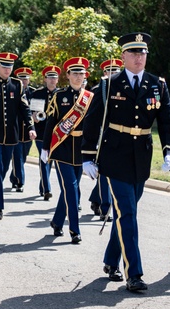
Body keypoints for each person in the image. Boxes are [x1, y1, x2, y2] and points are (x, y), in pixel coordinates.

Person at [82, 32, 170, 293]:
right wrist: (87, 157)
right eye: (134, 53)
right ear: (123, 56)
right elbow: (92, 121)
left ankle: (110, 260)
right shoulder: (108, 84)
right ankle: (133, 273)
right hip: (114, 157)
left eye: (143, 53)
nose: (139, 58)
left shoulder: (156, 84)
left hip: (141, 156)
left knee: (126, 214)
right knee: (128, 214)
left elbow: (168, 119)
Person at [0, 52, 35, 220]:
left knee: (4, 169)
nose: (7, 69)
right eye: (4, 66)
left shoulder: (17, 85)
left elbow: (24, 109)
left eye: (10, 66)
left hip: (11, 136)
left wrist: (30, 127)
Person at [42, 57, 94, 244]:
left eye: (81, 73)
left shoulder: (89, 98)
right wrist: (45, 147)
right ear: (68, 75)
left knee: (69, 189)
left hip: (81, 150)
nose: (78, 77)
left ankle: (57, 221)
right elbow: (51, 123)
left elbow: (94, 127)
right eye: (75, 73)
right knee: (72, 190)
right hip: (62, 148)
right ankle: (75, 229)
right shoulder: (59, 96)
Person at [88, 58, 123, 218]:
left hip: (121, 138)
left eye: (116, 71)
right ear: (105, 73)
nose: (113, 74)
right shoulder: (99, 89)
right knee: (104, 173)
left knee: (111, 174)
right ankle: (105, 208)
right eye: (110, 71)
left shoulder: (125, 88)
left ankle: (96, 198)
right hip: (104, 136)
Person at [30, 65, 60, 201]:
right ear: (45, 79)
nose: (52, 80)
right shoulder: (38, 93)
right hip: (42, 131)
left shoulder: (61, 94)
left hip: (56, 133)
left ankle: (43, 186)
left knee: (50, 160)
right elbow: (34, 113)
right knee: (44, 159)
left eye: (54, 77)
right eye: (50, 77)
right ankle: (47, 189)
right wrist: (35, 116)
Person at [8, 66, 34, 192]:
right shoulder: (14, 91)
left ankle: (14, 176)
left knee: (23, 157)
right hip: (17, 130)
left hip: (28, 132)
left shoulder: (34, 93)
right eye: (21, 79)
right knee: (17, 157)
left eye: (25, 79)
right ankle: (19, 182)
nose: (23, 82)